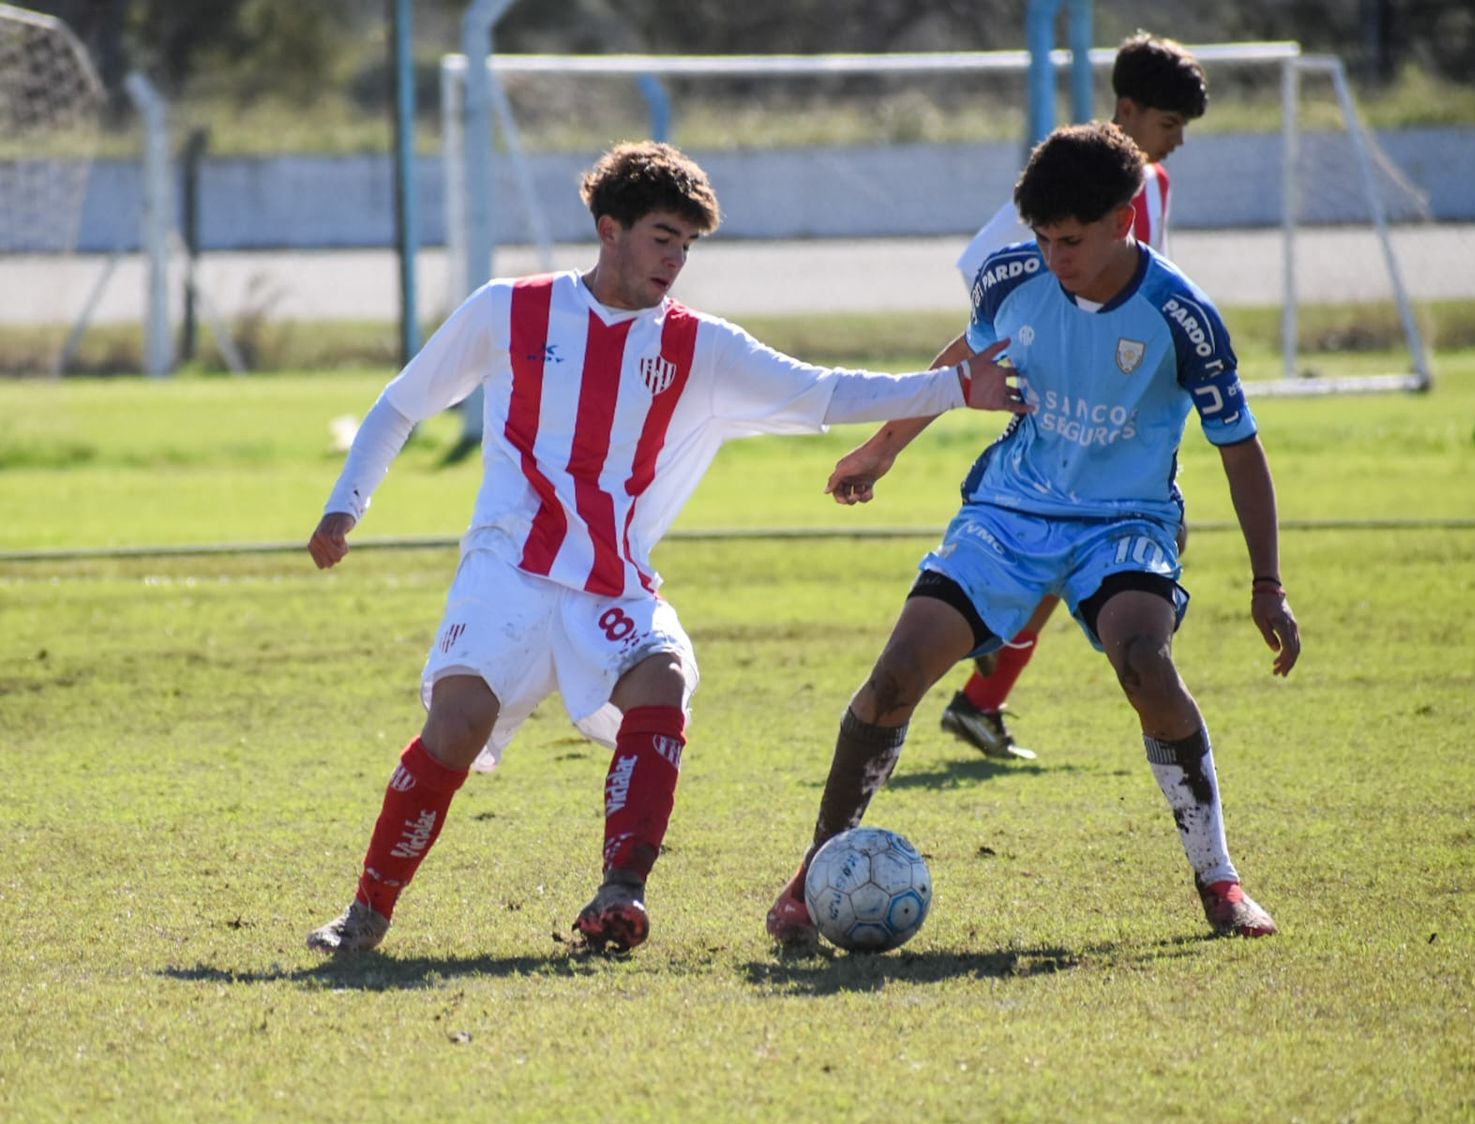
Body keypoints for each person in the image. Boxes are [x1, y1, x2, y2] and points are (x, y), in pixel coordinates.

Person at [303, 141, 1030, 956]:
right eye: (661, 237)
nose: (676, 259)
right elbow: (401, 404)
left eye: (688, 244)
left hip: (612, 580)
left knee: (666, 674)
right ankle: (364, 914)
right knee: (458, 724)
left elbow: (822, 391)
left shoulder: (699, 345)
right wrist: (345, 506)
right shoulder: (510, 310)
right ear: (608, 229)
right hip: (507, 569)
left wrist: (952, 388)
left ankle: (621, 893)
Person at [766, 122, 1301, 946]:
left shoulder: (1183, 315)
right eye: (1045, 239)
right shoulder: (1012, 280)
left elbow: (1241, 447)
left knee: (1144, 662)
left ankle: (1220, 881)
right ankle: (812, 874)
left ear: (1125, 218)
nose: (1057, 257)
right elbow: (965, 358)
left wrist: (1269, 584)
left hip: (1126, 523)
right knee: (894, 677)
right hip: (1011, 513)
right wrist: (882, 447)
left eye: (1074, 240)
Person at [944, 32, 1210, 761]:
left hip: (1123, 417)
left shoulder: (1150, 185)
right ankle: (982, 682)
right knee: (1067, 545)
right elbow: (984, 268)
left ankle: (983, 692)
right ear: (1126, 109)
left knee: (1084, 553)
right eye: (1167, 126)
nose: (1176, 143)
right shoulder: (1066, 181)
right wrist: (1035, 340)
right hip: (1056, 413)